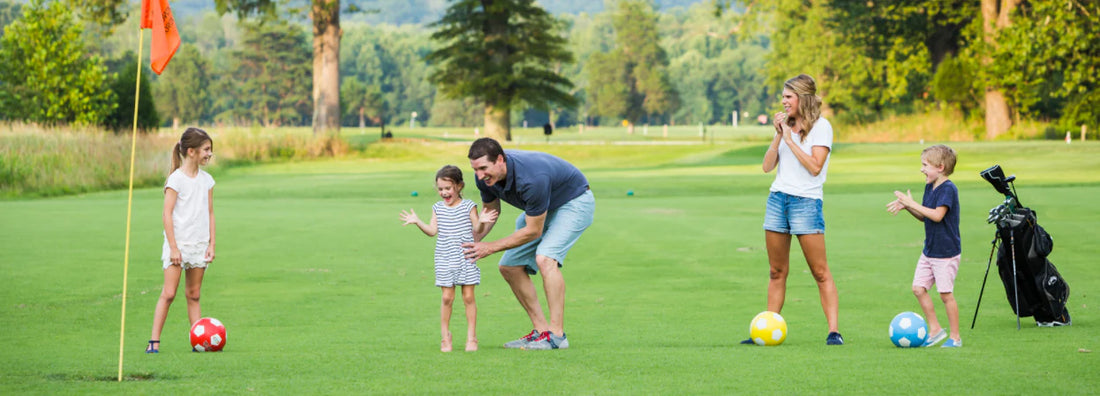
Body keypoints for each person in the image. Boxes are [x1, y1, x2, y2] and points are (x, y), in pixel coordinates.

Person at [462, 137, 595, 350]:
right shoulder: (484, 178)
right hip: (545, 206)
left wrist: (490, 247)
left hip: (574, 201)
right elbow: (490, 212)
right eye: (475, 169)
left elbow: (533, 231)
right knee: (509, 267)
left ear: (499, 160)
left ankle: (557, 336)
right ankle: (542, 332)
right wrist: (471, 242)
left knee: (545, 258)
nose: (479, 175)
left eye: (484, 168)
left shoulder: (531, 178)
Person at [745, 74, 843, 346]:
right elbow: (767, 167)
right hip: (778, 201)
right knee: (776, 271)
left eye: (788, 96)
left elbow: (814, 167)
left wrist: (790, 140)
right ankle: (767, 328)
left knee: (820, 272)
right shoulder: (785, 128)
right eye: (783, 97)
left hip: (806, 203)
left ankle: (834, 331)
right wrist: (779, 136)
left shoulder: (822, 127)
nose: (783, 101)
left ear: (803, 98)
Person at [400, 165, 497, 352]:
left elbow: (476, 230)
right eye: (440, 189)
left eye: (448, 188)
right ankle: (445, 337)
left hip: (466, 256)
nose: (444, 192)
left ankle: (471, 337)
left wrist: (483, 221)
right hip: (444, 257)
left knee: (468, 297)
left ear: (459, 186)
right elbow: (432, 231)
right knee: (447, 298)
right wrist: (417, 222)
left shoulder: (469, 206)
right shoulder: (437, 208)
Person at [147, 127, 217, 354]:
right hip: (178, 245)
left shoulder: (207, 181)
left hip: (198, 245)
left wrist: (211, 244)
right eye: (206, 150)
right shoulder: (176, 180)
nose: (209, 154)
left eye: (210, 150)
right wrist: (174, 248)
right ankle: (154, 342)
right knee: (168, 294)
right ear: (191, 151)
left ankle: (199, 341)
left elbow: (210, 213)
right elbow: (166, 214)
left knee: (194, 295)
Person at [886, 145, 962, 348]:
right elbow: (924, 216)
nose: (921, 169)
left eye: (925, 165)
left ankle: (955, 337)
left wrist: (911, 203)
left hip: (946, 253)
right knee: (918, 289)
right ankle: (935, 329)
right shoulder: (930, 186)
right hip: (930, 250)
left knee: (946, 295)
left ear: (940, 167)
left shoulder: (948, 189)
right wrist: (908, 207)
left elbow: (937, 215)